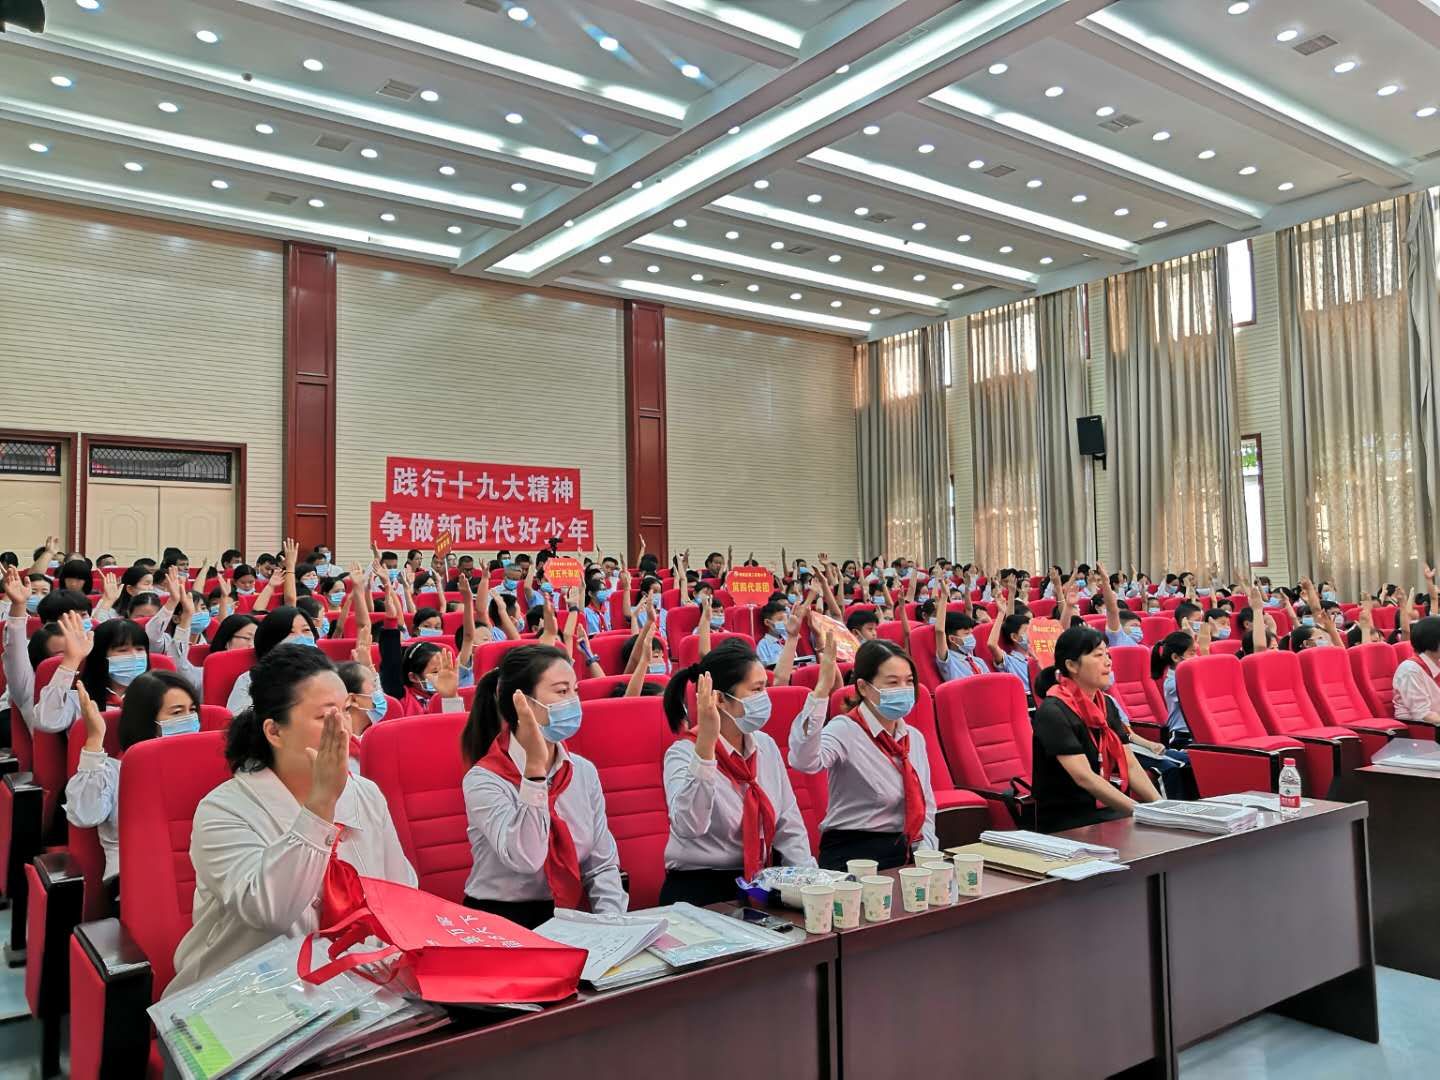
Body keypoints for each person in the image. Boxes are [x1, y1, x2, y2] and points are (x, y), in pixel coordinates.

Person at [167, 646, 415, 996]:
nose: (344, 729)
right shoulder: (223, 810)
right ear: (275, 732)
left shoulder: (365, 793)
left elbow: (401, 893)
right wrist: (321, 806)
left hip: (360, 985)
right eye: (325, 717)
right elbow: (272, 912)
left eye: (346, 710)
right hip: (247, 994)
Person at [459, 644, 626, 927]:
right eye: (562, 692)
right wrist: (534, 774)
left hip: (569, 915)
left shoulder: (582, 771)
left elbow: (601, 865)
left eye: (575, 691)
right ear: (522, 702)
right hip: (503, 918)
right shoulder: (484, 779)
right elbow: (526, 858)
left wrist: (611, 923)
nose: (573, 702)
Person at [658, 639, 817, 904]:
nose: (764, 698)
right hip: (702, 887)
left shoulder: (764, 745)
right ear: (720, 699)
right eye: (756, 690)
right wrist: (706, 747)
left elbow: (788, 823)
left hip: (760, 881)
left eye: (765, 688)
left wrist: (809, 885)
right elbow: (689, 826)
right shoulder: (683, 753)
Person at [790, 637, 937, 870]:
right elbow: (804, 761)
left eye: (909, 681)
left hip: (906, 849)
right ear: (864, 687)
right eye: (892, 682)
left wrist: (927, 852)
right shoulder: (845, 729)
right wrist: (821, 691)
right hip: (853, 853)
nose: (903, 689)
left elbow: (926, 803)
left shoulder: (913, 738)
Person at [65, 670, 201, 882]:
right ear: (147, 719)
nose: (188, 719)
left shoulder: (204, 764)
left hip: (199, 876)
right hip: (134, 881)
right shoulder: (114, 770)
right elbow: (84, 814)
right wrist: (95, 739)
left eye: (192, 710)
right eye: (176, 713)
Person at [1031, 627, 1161, 833]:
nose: (1108, 662)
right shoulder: (1052, 712)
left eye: (1107, 654)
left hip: (1107, 811)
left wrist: (1160, 807)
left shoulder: (1106, 704)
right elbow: (1084, 777)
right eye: (1098, 655)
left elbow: (1130, 763)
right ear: (1072, 665)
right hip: (1069, 820)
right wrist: (1142, 811)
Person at [36, 612, 151, 733]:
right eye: (122, 650)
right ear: (100, 656)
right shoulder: (79, 698)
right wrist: (71, 660)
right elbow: (47, 721)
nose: (134, 656)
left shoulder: (157, 693)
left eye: (140, 649)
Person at [225, 605, 320, 714]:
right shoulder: (250, 680)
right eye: (291, 632)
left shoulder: (327, 673)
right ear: (272, 641)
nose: (301, 637)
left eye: (306, 630)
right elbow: (239, 720)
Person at [1393, 615, 1440, 729]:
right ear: (1433, 641)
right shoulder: (1410, 670)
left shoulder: (1436, 663)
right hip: (1419, 730)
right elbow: (1423, 715)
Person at [934, 610, 986, 681]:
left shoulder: (979, 661)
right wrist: (943, 602)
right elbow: (940, 631)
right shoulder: (949, 662)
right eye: (967, 634)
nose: (971, 637)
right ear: (952, 639)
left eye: (971, 633)